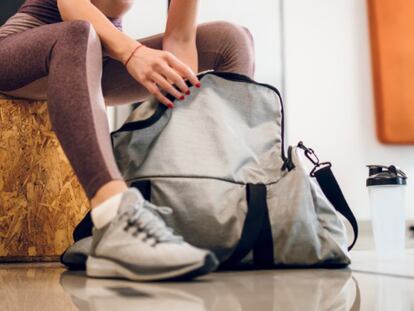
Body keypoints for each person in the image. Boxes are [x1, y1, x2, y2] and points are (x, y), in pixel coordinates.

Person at [0, 0, 255, 281]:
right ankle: (114, 219)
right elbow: (70, 7)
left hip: (98, 58)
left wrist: (183, 111)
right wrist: (133, 53)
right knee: (78, 34)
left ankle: (222, 206)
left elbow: (179, 40)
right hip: (23, 52)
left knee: (231, 39)